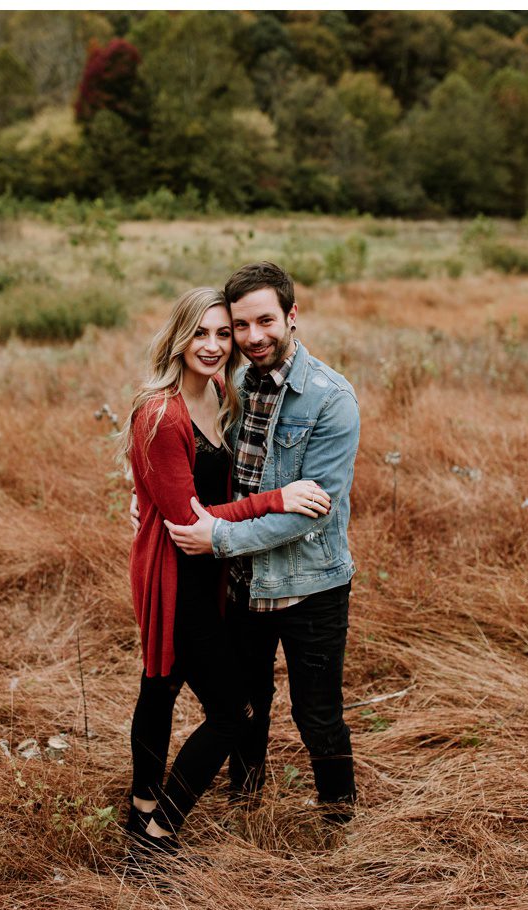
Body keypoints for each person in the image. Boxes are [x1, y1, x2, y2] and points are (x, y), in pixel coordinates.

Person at [123, 287, 331, 857]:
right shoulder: (162, 414)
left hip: (208, 566)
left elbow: (184, 494)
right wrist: (277, 499)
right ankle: (158, 833)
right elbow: (188, 519)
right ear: (178, 337)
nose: (214, 346)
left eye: (224, 333)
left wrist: (145, 493)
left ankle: (141, 809)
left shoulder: (219, 391)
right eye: (201, 333)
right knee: (232, 711)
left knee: (160, 686)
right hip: (176, 573)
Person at [159, 261, 362, 825]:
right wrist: (150, 498)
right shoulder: (236, 385)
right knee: (248, 705)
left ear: (292, 316)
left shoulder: (329, 399)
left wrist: (218, 537)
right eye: (240, 326)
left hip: (310, 586)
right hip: (243, 582)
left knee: (316, 712)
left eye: (265, 322)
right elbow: (207, 464)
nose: (252, 338)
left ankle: (338, 820)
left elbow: (309, 515)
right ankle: (245, 803)